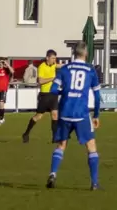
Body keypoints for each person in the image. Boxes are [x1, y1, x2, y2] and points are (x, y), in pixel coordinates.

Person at [46, 42, 102, 191]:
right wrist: (96, 115)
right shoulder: (90, 70)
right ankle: (95, 183)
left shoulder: (64, 69)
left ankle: (53, 173)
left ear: (74, 53)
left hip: (64, 113)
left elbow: (53, 90)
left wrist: (64, 93)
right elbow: (97, 96)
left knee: (61, 145)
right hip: (81, 114)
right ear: (86, 54)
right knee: (91, 145)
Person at [22, 50, 60, 143]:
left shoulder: (54, 64)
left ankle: (55, 137)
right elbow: (40, 81)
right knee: (38, 116)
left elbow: (61, 66)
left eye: (55, 58)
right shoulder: (42, 67)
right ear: (47, 58)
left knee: (55, 115)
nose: (54, 60)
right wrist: (52, 78)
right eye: (53, 58)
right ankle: (26, 133)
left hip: (53, 94)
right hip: (44, 95)